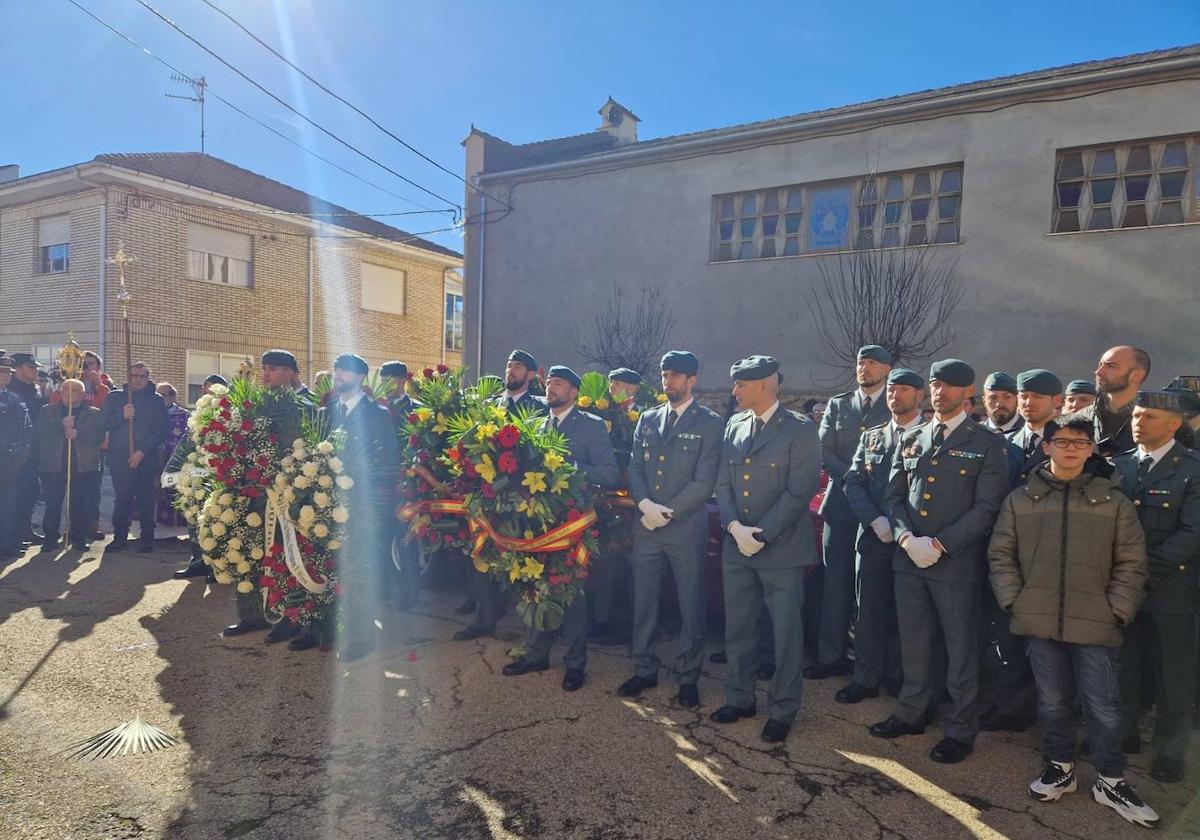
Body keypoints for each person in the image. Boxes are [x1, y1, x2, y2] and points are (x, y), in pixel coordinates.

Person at [988, 414, 1156, 829]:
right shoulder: (1021, 499)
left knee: (1103, 706)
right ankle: (1059, 767)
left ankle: (1111, 780)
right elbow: (1001, 556)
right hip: (1038, 620)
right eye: (1060, 441)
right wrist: (1015, 601)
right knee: (1052, 701)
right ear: (1046, 447)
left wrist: (1116, 609)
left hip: (1096, 621)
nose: (1069, 449)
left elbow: (1132, 563)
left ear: (1091, 449)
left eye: (1079, 443)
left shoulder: (1112, 500)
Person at [870, 359, 1010, 764]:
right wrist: (905, 537)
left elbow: (987, 508)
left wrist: (941, 544)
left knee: (960, 649)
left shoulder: (987, 443)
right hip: (910, 559)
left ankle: (961, 728)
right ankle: (912, 712)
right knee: (914, 642)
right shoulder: (912, 437)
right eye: (935, 384)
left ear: (968, 393)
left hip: (955, 565)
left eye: (950, 386)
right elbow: (893, 496)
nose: (940, 391)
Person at [711, 355, 820, 743]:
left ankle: (783, 708)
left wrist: (761, 533)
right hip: (738, 546)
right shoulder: (734, 426)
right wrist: (734, 526)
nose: (735, 391)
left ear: (765, 385)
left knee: (786, 633)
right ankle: (739, 697)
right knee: (739, 627)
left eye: (741, 384)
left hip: (782, 549)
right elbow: (722, 484)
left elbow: (800, 490)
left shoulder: (799, 430)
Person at [503, 365, 619, 691]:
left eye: (558, 384)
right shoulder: (534, 425)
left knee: (572, 597)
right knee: (535, 589)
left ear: (573, 392)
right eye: (549, 383)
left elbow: (609, 474)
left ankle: (575, 664)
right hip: (536, 525)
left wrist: (574, 467)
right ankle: (536, 653)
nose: (551, 388)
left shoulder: (591, 427)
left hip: (571, 526)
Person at [618, 351, 722, 708]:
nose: (669, 382)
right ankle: (643, 668)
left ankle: (688, 675)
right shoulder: (647, 418)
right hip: (646, 526)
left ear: (692, 380)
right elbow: (634, 468)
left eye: (676, 376)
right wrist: (645, 505)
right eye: (665, 375)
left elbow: (705, 479)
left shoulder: (709, 423)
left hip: (684, 528)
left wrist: (669, 512)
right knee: (643, 601)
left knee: (691, 604)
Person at [1115, 390, 1200, 784]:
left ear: (1173, 424)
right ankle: (1125, 732)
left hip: (1171, 588)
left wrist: (1138, 569)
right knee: (1124, 663)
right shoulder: (1121, 466)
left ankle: (1170, 749)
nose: (1138, 422)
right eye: (1136, 416)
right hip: (1125, 588)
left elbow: (1192, 533)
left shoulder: (1193, 469)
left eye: (1148, 416)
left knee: (1173, 672)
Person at [978, 369, 1064, 734]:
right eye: (1024, 395)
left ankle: (1053, 714)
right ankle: (1011, 706)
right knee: (1006, 636)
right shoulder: (1005, 443)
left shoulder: (1069, 443)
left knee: (1048, 643)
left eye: (1037, 397)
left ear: (1056, 402)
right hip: (1007, 552)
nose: (1028, 403)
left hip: (1048, 556)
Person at [836, 368, 926, 704]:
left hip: (912, 544)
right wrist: (874, 520)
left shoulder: (930, 436)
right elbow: (854, 482)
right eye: (891, 389)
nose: (895, 395)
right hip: (874, 541)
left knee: (908, 617)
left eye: (904, 389)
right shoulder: (872, 436)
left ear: (919, 396)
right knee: (868, 613)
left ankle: (900, 679)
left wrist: (902, 530)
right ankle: (866, 677)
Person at [809, 345, 892, 680]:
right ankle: (830, 657)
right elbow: (823, 449)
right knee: (835, 585)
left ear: (886, 370)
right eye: (861, 363)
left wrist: (866, 489)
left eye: (872, 363)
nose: (865, 368)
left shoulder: (894, 404)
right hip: (842, 507)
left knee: (872, 590)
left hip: (877, 509)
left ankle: (870, 663)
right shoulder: (840, 404)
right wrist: (852, 480)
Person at [455, 349, 546, 641]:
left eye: (517, 366)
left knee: (521, 564)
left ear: (531, 375)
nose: (510, 370)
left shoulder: (540, 408)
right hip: (487, 495)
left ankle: (527, 629)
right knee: (481, 556)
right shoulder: (489, 406)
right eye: (508, 365)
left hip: (522, 498)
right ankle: (484, 618)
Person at [318, 353, 401, 662]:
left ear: (361, 378)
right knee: (328, 566)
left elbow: (389, 460)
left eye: (346, 371)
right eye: (337, 369)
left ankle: (361, 637)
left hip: (361, 506)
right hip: (325, 501)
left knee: (358, 571)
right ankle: (326, 629)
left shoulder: (376, 414)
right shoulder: (325, 411)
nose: (338, 375)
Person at [587, 366, 644, 645]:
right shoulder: (600, 414)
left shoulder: (646, 414)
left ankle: (632, 625)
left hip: (634, 502)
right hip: (604, 501)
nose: (612, 389)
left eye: (619, 384)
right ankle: (601, 620)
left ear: (633, 388)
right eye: (611, 384)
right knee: (605, 562)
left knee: (632, 566)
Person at [99, 362, 169, 553]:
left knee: (146, 498)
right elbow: (102, 423)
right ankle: (119, 536)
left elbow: (162, 429)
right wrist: (122, 416)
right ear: (128, 377)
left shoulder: (155, 400)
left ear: (148, 378)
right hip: (120, 456)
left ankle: (147, 538)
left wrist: (142, 451)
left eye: (142, 376)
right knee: (122, 497)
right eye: (134, 376)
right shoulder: (115, 398)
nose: (138, 380)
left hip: (146, 457)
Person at [35, 378, 105, 551]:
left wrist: (78, 433)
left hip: (82, 465)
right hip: (54, 465)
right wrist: (61, 426)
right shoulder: (48, 411)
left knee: (79, 503)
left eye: (74, 391)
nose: (69, 394)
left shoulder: (93, 413)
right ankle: (50, 537)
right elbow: (39, 434)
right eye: (66, 390)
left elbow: (98, 438)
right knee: (53, 502)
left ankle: (78, 538)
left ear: (82, 394)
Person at [170, 374, 227, 581]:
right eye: (207, 388)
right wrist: (171, 469)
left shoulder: (228, 415)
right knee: (194, 518)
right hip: (195, 475)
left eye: (214, 389)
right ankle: (198, 562)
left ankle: (217, 566)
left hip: (217, 476)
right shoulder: (196, 417)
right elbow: (185, 443)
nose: (209, 392)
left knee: (215, 522)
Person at [380, 360, 422, 611]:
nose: (386, 384)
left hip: (407, 482)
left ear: (403, 379)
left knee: (407, 540)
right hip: (381, 483)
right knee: (380, 536)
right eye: (382, 378)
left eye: (390, 379)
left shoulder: (416, 409)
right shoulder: (376, 407)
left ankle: (410, 592)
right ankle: (382, 587)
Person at [1084, 346, 1150, 458]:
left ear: (1136, 375)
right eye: (1100, 365)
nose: (1098, 372)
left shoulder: (1159, 422)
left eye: (1111, 366)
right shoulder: (1083, 417)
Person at [9, 353, 46, 545]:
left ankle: (26, 528)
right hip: (15, 451)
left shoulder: (35, 389)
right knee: (15, 492)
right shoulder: (9, 389)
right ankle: (13, 533)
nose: (36, 371)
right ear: (19, 369)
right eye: (31, 367)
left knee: (32, 490)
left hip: (35, 448)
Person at [0, 357, 34, 558]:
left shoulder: (14, 399)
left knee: (8, 505)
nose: (5, 376)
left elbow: (27, 429)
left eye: (7, 372)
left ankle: (5, 544)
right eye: (1, 372)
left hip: (10, 462)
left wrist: (21, 454)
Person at [156, 382, 189, 528]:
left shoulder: (183, 415)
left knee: (172, 490)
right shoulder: (152, 412)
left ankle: (173, 526)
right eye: (157, 395)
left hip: (174, 460)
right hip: (154, 458)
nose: (160, 398)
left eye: (163, 395)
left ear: (172, 397)